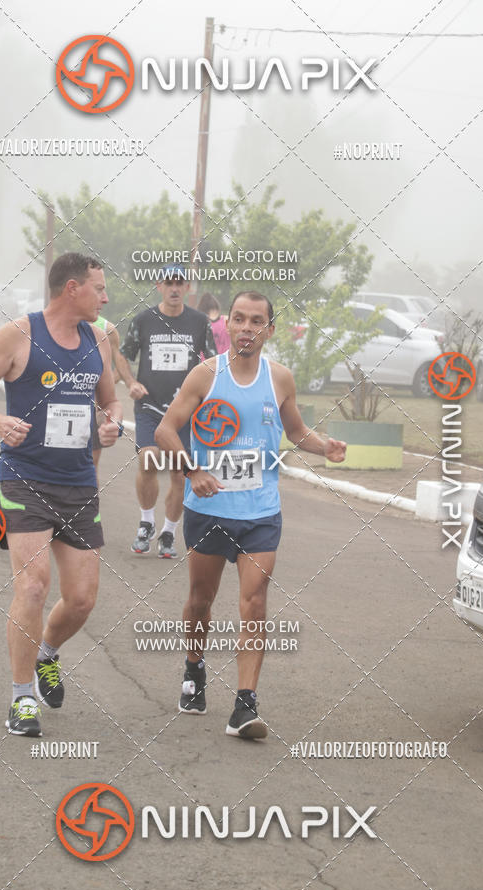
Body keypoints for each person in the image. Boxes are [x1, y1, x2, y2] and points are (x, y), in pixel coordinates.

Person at [155, 289, 346, 740]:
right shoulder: (206, 375)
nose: (246, 327)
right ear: (228, 325)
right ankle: (194, 668)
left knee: (255, 602)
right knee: (200, 600)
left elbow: (296, 431)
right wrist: (193, 470)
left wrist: (324, 447)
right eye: (238, 318)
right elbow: (165, 429)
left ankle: (245, 704)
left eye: (256, 320)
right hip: (208, 510)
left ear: (269, 330)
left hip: (260, 511)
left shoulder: (280, 378)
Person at [0, 252, 123, 737]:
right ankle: (22, 696)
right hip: (24, 477)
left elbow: (109, 400)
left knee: (81, 600)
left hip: (78, 482)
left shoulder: (98, 339)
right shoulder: (17, 335)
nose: (105, 297)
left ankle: (47, 653)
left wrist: (111, 423)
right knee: (32, 587)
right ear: (72, 288)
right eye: (99, 288)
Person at [120, 264, 217, 558]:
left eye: (179, 283)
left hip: (184, 412)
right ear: (159, 286)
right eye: (168, 283)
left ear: (187, 287)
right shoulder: (144, 320)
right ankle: (146, 522)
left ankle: (168, 532)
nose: (174, 288)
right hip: (150, 406)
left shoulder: (199, 322)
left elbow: (213, 361)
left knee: (179, 472)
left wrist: (211, 394)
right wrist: (131, 382)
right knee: (148, 459)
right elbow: (123, 355)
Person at [90, 313, 131, 469]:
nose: (103, 300)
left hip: (94, 408)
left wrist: (101, 389)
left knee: (91, 464)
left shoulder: (108, 329)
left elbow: (119, 366)